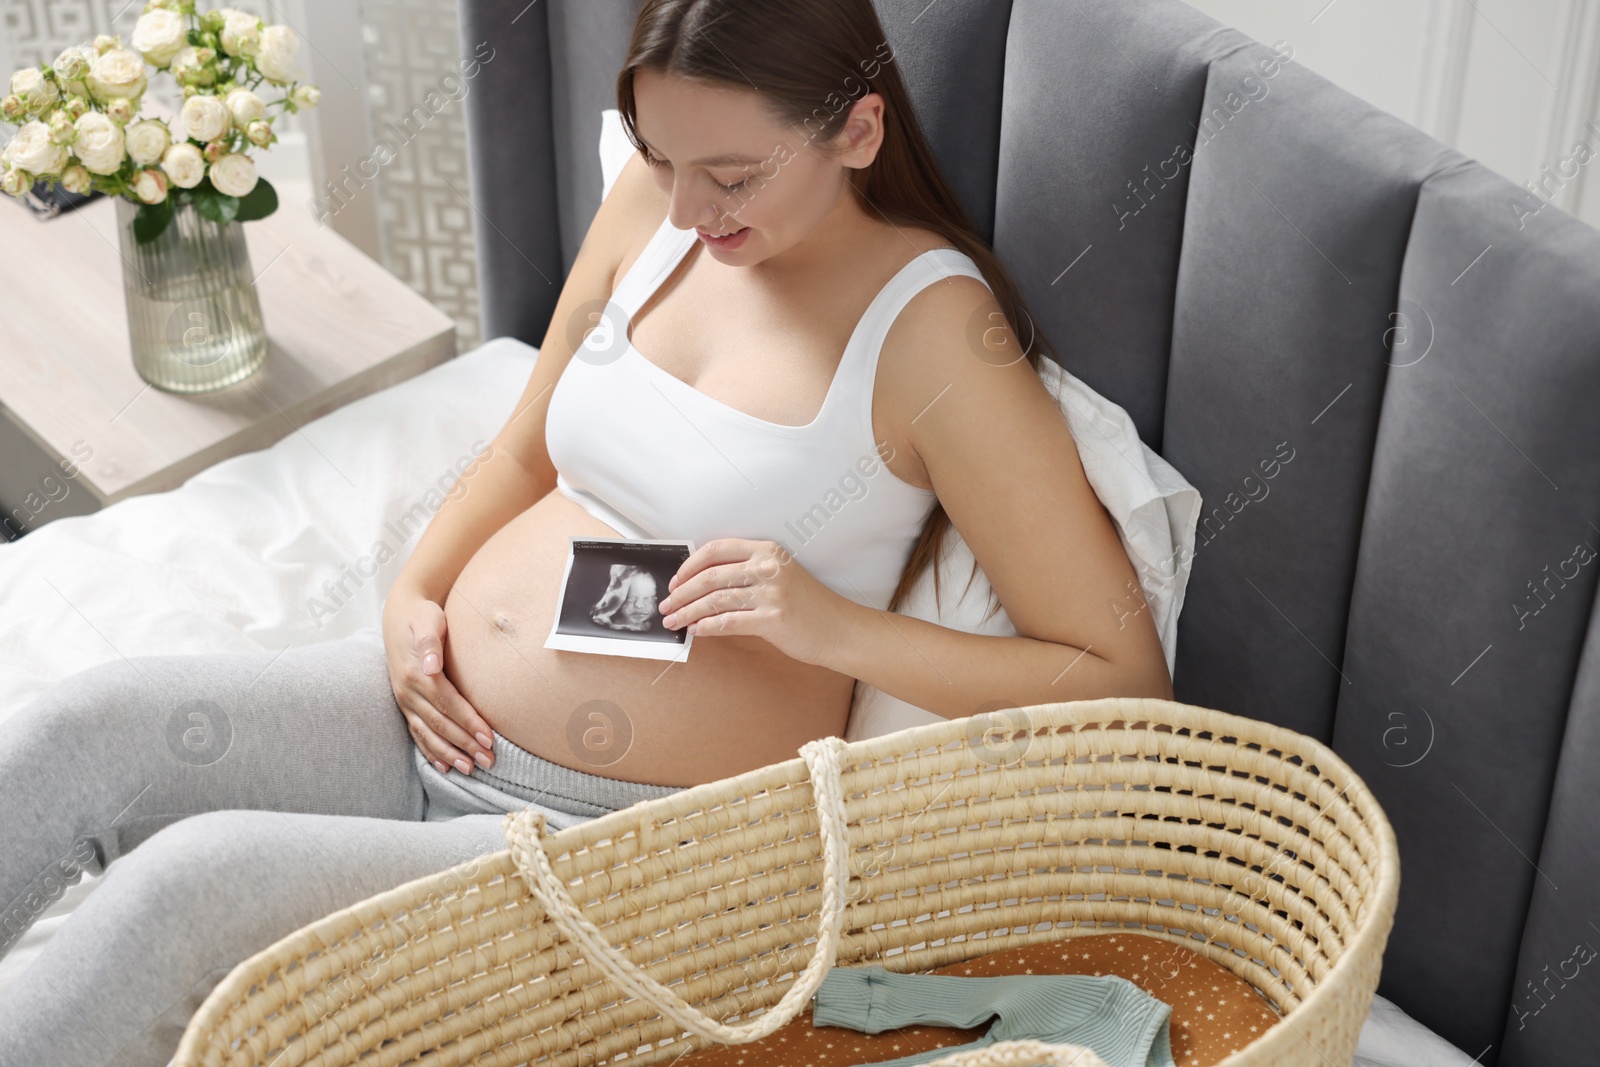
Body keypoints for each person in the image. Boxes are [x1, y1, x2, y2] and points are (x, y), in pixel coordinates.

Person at [0, 1, 1172, 1062]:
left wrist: (833, 627)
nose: (689, 208)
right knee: (77, 729)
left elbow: (1120, 675)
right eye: (662, 158)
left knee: (183, 891)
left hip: (616, 846)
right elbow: (522, 448)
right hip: (435, 715)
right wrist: (416, 594)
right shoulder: (652, 210)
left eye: (730, 174)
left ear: (858, 132)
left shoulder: (931, 336)